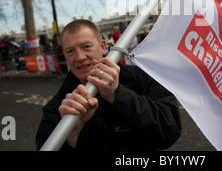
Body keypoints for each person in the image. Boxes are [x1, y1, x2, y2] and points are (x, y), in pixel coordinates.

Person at [35, 19, 182, 151]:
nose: (79, 57)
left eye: (86, 47)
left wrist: (118, 95)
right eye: (70, 51)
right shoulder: (59, 107)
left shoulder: (141, 77)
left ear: (102, 47)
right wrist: (72, 134)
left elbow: (169, 131)